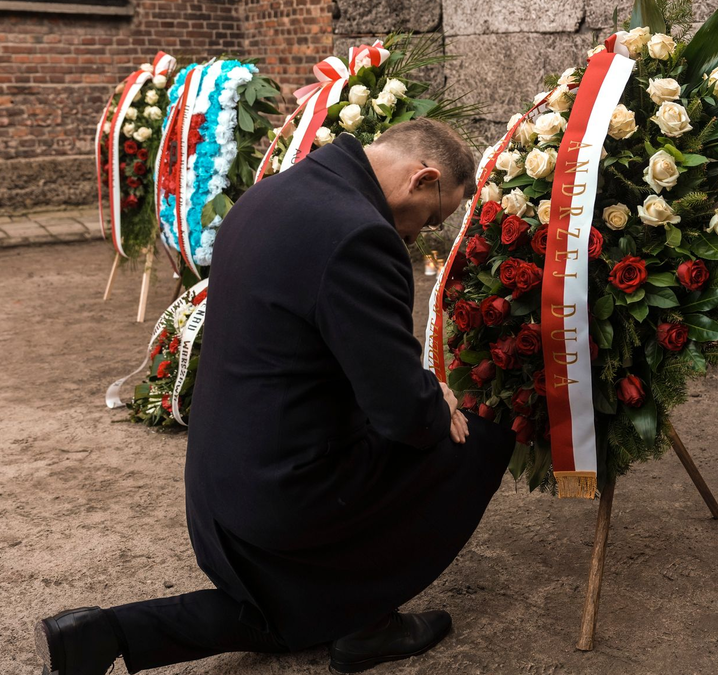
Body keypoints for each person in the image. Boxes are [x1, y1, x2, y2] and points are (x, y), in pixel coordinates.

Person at [35, 119, 516, 674]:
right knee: (474, 441)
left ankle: (105, 634)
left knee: (283, 616)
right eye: (431, 218)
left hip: (220, 491)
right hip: (285, 501)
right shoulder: (362, 234)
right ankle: (369, 614)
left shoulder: (274, 191)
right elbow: (403, 412)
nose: (416, 237)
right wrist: (438, 400)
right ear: (422, 179)